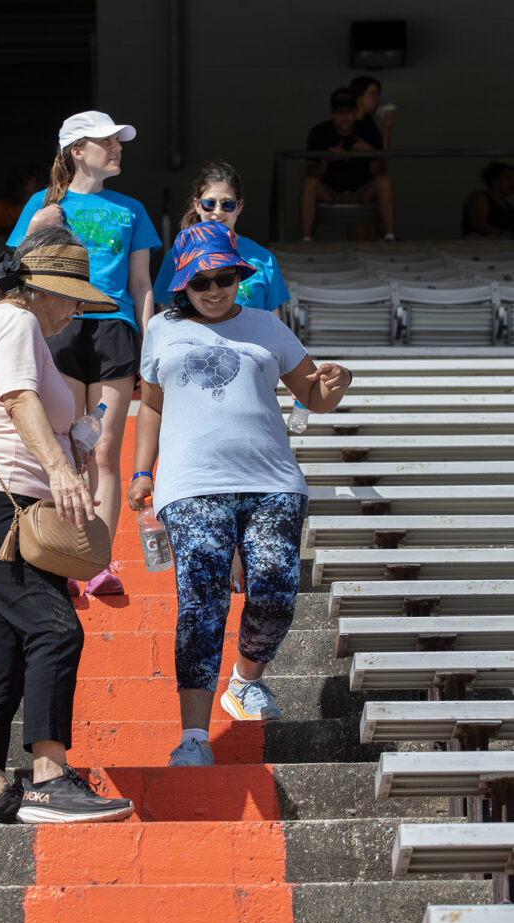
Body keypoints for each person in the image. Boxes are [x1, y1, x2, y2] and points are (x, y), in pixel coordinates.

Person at [127, 222, 351, 767]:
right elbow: (152, 405)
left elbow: (311, 399)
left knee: (275, 591)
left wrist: (334, 384)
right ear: (183, 282)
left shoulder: (266, 327)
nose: (212, 289)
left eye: (223, 277)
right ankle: (194, 737)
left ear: (239, 276)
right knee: (202, 603)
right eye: (200, 280)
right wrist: (141, 471)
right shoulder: (160, 328)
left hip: (273, 481)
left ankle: (244, 681)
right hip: (190, 484)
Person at [0, 223, 135, 825]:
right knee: (57, 630)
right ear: (41, 289)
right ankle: (50, 778)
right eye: (72, 295)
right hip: (6, 511)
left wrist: (68, 444)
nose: (77, 308)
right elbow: (18, 400)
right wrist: (59, 468)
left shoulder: (2, 326)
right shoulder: (16, 321)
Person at [6, 111, 161, 596]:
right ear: (77, 150)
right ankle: (63, 555)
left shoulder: (132, 208)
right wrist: (37, 227)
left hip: (114, 330)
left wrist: (149, 344)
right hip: (61, 327)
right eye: (107, 142)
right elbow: (16, 275)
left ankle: (98, 561)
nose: (117, 148)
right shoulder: (43, 203)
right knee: (70, 448)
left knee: (104, 450)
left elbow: (141, 285)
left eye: (119, 142)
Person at [153, 161, 290, 316]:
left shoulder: (264, 259)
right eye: (209, 204)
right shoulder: (177, 256)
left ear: (239, 206)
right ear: (197, 205)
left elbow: (273, 322)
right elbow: (166, 315)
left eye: (228, 204)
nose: (218, 212)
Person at [300, 87, 395, 242]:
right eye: (339, 112)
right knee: (309, 183)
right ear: (332, 113)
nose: (345, 117)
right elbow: (311, 173)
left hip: (360, 193)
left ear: (355, 111)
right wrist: (326, 159)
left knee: (384, 182)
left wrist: (369, 153)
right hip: (331, 193)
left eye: (349, 112)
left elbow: (380, 172)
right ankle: (306, 239)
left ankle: (389, 236)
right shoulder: (319, 132)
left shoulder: (367, 131)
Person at [0, 162, 46, 239]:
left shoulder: (46, 208)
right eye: (36, 180)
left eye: (41, 179)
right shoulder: (0, 207)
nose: (41, 183)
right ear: (22, 183)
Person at [462, 163, 514, 238]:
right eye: (508, 178)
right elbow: (480, 226)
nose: (512, 183)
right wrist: (504, 234)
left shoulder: (508, 206)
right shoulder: (479, 198)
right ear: (494, 180)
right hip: (480, 246)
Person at [350, 76, 397, 151]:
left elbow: (383, 159)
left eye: (378, 94)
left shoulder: (368, 121)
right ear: (359, 97)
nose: (377, 98)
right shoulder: (347, 125)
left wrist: (387, 128)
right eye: (373, 94)